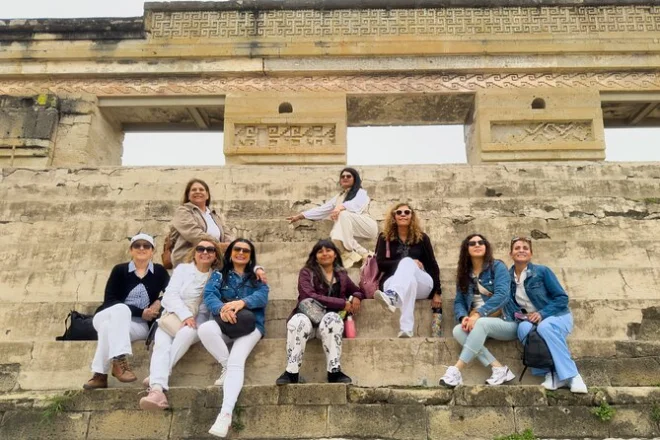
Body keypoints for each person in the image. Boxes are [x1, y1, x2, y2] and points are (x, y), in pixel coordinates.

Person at [198, 239, 269, 438]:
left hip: (251, 326)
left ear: (251, 255)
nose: (241, 253)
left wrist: (241, 303)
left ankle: (225, 414)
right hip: (226, 322)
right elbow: (209, 295)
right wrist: (222, 309)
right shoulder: (219, 274)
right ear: (230, 252)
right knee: (205, 329)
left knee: (237, 360)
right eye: (237, 249)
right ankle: (225, 365)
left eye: (246, 251)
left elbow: (262, 296)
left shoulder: (257, 277)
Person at [139, 239, 222, 410]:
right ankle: (157, 391)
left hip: (198, 320)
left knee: (187, 332)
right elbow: (170, 296)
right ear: (194, 253)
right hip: (172, 316)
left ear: (215, 256)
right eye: (201, 248)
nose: (205, 252)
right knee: (161, 346)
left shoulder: (216, 276)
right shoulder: (183, 269)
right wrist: (185, 315)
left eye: (210, 249)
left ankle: (157, 380)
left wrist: (258, 269)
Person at [83, 233, 170, 390]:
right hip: (107, 315)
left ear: (152, 251)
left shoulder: (159, 271)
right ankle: (119, 359)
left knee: (107, 329)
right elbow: (110, 300)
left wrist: (159, 301)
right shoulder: (120, 270)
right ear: (131, 250)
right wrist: (140, 312)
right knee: (120, 310)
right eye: (137, 245)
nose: (141, 248)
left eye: (146, 246)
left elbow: (172, 292)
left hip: (137, 325)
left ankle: (100, 375)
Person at [275, 239, 364, 386]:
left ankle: (334, 372)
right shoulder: (306, 273)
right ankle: (291, 373)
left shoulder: (341, 275)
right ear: (315, 256)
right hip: (308, 321)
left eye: (328, 250)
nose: (324, 254)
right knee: (297, 321)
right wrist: (342, 303)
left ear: (335, 254)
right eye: (320, 251)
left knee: (333, 319)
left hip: (328, 326)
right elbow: (309, 296)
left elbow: (356, 290)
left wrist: (357, 296)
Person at [510, 236, 588, 394]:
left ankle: (572, 375)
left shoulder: (542, 271)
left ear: (531, 253)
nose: (521, 250)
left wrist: (542, 313)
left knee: (545, 327)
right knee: (523, 329)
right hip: (531, 320)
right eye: (517, 248)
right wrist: (522, 316)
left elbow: (562, 298)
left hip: (557, 315)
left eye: (525, 248)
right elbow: (511, 304)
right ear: (511, 253)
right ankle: (550, 374)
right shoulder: (508, 277)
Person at [439, 234, 516, 388]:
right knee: (457, 330)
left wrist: (478, 314)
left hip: (507, 321)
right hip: (479, 322)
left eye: (481, 242)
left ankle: (456, 370)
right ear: (466, 249)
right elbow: (459, 301)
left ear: (486, 246)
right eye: (472, 243)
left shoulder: (497, 267)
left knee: (480, 323)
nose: (477, 245)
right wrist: (463, 317)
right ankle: (499, 368)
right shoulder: (464, 273)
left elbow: (502, 295)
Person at [170, 178, 268, 283]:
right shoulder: (183, 211)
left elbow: (228, 234)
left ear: (207, 195)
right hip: (189, 263)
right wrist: (217, 246)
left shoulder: (214, 215)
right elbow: (194, 234)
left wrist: (231, 246)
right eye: (193, 190)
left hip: (214, 263)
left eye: (201, 189)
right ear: (188, 195)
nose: (198, 191)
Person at [374, 203, 442, 338]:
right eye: (399, 212)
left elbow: (432, 264)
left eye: (407, 212)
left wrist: (437, 292)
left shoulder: (422, 238)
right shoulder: (384, 238)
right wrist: (407, 262)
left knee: (408, 263)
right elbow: (381, 265)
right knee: (409, 280)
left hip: (423, 283)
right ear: (394, 216)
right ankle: (406, 328)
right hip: (392, 280)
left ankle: (392, 296)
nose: (403, 215)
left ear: (412, 216)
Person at [286, 168, 377, 267]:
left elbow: (355, 205)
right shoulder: (339, 197)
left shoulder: (361, 193)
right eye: (343, 176)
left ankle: (354, 253)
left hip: (367, 226)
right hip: (351, 230)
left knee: (343, 215)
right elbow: (323, 209)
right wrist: (300, 216)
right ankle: (364, 254)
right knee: (335, 234)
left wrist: (339, 208)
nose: (345, 178)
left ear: (355, 179)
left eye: (348, 176)